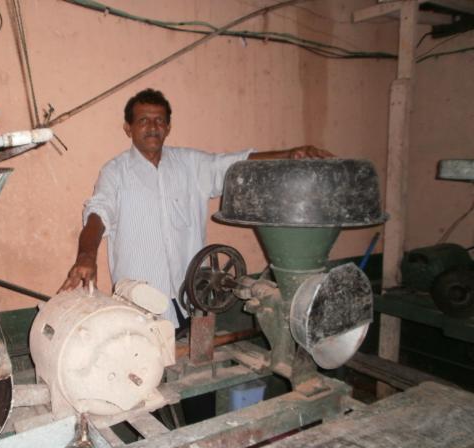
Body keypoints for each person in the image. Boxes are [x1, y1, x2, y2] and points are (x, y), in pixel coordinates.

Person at [59, 88, 331, 330]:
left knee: (197, 365)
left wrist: (288, 155)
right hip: (139, 305)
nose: (152, 127)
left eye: (159, 120)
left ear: (168, 127)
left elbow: (235, 164)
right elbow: (98, 214)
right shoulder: (115, 172)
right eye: (143, 120)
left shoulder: (190, 164)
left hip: (192, 298)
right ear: (128, 128)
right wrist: (86, 256)